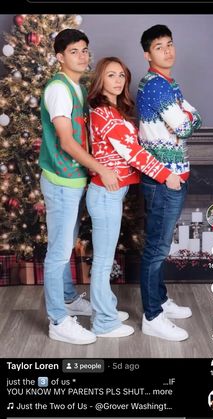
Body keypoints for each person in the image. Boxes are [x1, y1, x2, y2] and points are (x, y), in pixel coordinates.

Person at [39, 29, 120, 345]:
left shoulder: (76, 86)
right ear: (60, 57)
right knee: (58, 252)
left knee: (66, 242)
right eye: (75, 51)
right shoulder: (59, 89)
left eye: (85, 50)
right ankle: (58, 319)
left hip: (72, 180)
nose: (83, 56)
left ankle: (70, 298)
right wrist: (101, 168)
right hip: (62, 182)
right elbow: (67, 142)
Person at [87, 57, 172, 338]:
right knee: (102, 262)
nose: (118, 80)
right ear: (101, 80)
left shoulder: (115, 111)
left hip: (111, 194)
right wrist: (165, 175)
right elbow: (133, 153)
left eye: (121, 75)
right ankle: (103, 323)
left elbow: (132, 147)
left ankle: (107, 308)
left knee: (105, 258)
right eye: (111, 75)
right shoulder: (102, 112)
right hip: (104, 195)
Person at [136, 24, 202, 341]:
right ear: (148, 54)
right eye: (159, 46)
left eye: (170, 44)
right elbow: (187, 125)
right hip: (165, 179)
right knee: (156, 249)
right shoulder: (156, 87)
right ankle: (152, 316)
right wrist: (185, 118)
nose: (167, 50)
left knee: (160, 247)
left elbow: (192, 118)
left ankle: (160, 301)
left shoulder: (168, 83)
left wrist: (186, 117)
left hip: (175, 176)